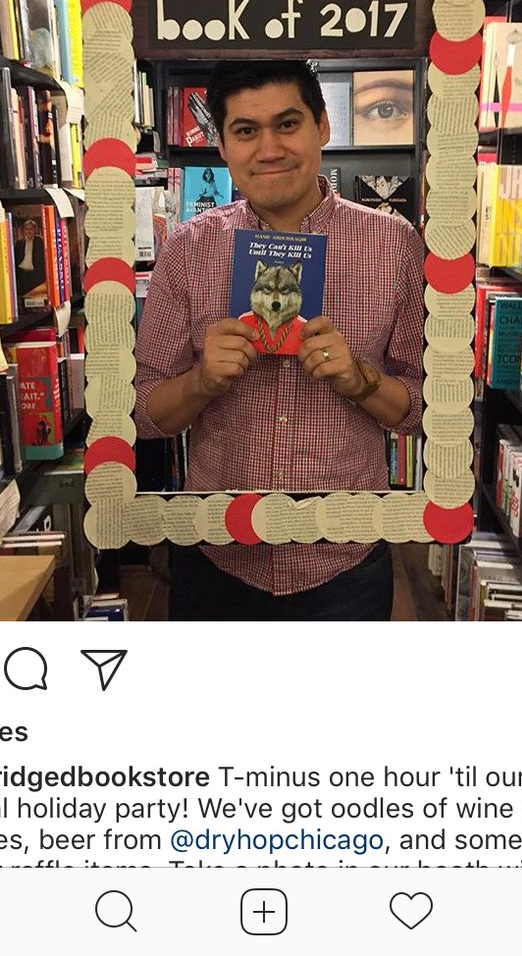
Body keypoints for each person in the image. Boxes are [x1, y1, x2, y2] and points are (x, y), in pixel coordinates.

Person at [135, 60, 424, 621]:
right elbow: (148, 416)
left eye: (287, 124)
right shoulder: (188, 250)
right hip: (217, 556)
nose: (269, 149)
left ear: (323, 126)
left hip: (347, 559)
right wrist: (201, 382)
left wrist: (359, 379)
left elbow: (422, 411)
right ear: (222, 146)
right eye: (246, 131)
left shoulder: (394, 245)